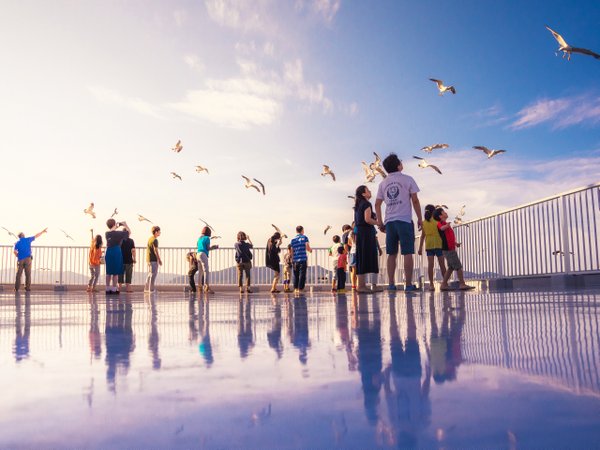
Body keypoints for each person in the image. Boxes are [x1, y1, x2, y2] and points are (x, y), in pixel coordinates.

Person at [375, 153, 422, 292]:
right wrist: (420, 218)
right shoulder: (408, 179)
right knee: (407, 252)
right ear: (398, 165)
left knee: (392, 254)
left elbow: (377, 204)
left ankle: (391, 284)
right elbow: (415, 200)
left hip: (390, 222)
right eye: (400, 161)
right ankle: (408, 284)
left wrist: (380, 222)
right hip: (404, 220)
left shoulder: (383, 183)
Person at [433, 208, 474, 291]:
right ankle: (462, 284)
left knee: (451, 267)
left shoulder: (444, 223)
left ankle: (444, 284)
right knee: (458, 266)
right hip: (448, 249)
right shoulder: (440, 223)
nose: (446, 212)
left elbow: (448, 237)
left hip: (450, 248)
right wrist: (446, 226)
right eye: (444, 212)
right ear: (440, 216)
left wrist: (455, 243)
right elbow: (441, 228)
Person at [354, 185, 382, 293]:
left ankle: (361, 285)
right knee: (366, 257)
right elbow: (367, 219)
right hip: (366, 233)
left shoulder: (358, 205)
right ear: (363, 194)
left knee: (362, 258)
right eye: (368, 190)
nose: (370, 191)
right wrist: (378, 223)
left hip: (360, 233)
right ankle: (362, 286)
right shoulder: (366, 203)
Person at [418, 204, 447, 291]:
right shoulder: (437, 221)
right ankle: (445, 283)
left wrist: (420, 248)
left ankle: (431, 284)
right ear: (433, 212)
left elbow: (423, 236)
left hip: (429, 245)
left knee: (431, 266)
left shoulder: (423, 223)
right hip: (438, 244)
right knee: (442, 265)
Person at [13, 228, 47, 292]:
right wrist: (42, 232)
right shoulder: (27, 240)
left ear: (19, 237)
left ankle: (16, 288)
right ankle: (27, 288)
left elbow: (14, 251)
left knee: (18, 274)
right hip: (28, 259)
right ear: (23, 235)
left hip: (20, 259)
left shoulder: (17, 243)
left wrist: (18, 256)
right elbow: (36, 235)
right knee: (28, 274)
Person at [105, 219, 131, 295]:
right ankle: (113, 289)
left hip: (109, 252)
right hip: (116, 251)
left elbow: (112, 231)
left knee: (108, 271)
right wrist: (125, 225)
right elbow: (129, 232)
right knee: (115, 272)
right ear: (114, 224)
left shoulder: (107, 233)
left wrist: (115, 226)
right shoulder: (119, 233)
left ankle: (107, 288)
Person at [196, 226, 219, 294]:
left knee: (200, 271)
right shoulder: (207, 238)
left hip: (198, 254)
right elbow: (208, 248)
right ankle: (207, 287)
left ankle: (199, 287)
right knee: (206, 271)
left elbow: (197, 246)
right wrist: (214, 247)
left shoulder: (199, 238)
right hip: (203, 254)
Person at [290, 225, 312, 293]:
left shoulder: (293, 240)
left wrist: (292, 259)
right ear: (302, 230)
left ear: (296, 231)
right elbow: (307, 247)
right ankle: (300, 288)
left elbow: (291, 250)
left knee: (295, 275)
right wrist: (310, 250)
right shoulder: (305, 237)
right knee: (302, 274)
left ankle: (295, 288)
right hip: (302, 259)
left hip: (295, 260)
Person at [144, 226, 162, 293]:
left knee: (150, 274)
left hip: (149, 259)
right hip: (153, 259)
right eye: (159, 231)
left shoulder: (150, 239)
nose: (160, 233)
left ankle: (146, 288)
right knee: (153, 274)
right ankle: (151, 289)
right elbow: (155, 250)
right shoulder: (155, 240)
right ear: (156, 232)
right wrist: (159, 259)